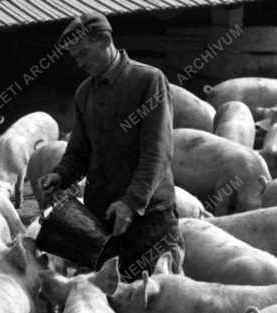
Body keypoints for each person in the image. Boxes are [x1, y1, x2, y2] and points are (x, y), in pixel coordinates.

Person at [40, 11, 183, 281]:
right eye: (75, 57)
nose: (79, 63)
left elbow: (157, 151)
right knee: (109, 300)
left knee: (152, 301)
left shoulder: (148, 81)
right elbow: (79, 151)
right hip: (101, 218)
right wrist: (61, 174)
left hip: (148, 218)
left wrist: (131, 202)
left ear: (105, 40)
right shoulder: (84, 93)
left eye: (83, 53)